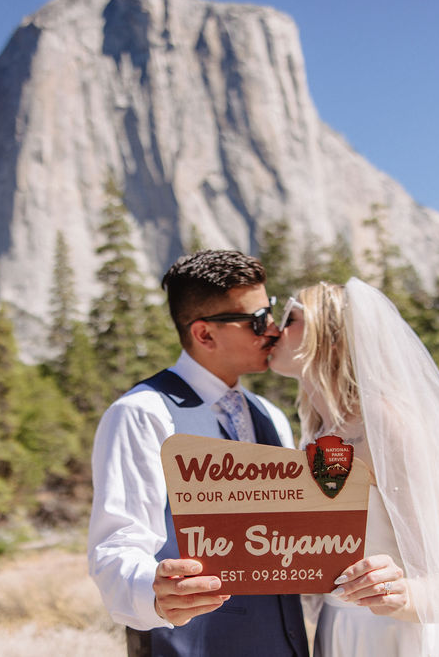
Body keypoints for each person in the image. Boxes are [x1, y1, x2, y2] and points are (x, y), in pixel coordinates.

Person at [268, 278, 439, 656]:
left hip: (401, 635)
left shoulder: (386, 422)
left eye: (290, 318)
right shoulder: (313, 435)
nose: (272, 328)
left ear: (331, 337)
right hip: (340, 631)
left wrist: (401, 595)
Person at [87, 250, 309, 657]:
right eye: (258, 320)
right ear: (205, 334)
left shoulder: (272, 416)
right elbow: (116, 547)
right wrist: (153, 591)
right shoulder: (141, 414)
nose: (274, 329)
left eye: (271, 313)